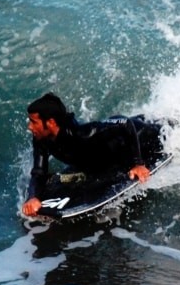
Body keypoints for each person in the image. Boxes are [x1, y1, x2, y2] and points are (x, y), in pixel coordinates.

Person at [21, 92, 167, 217]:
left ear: (51, 122)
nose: (29, 126)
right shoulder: (42, 139)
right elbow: (38, 172)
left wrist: (138, 164)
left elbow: (124, 123)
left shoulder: (82, 134)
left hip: (145, 138)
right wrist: (33, 198)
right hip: (104, 160)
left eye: (34, 122)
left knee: (162, 129)